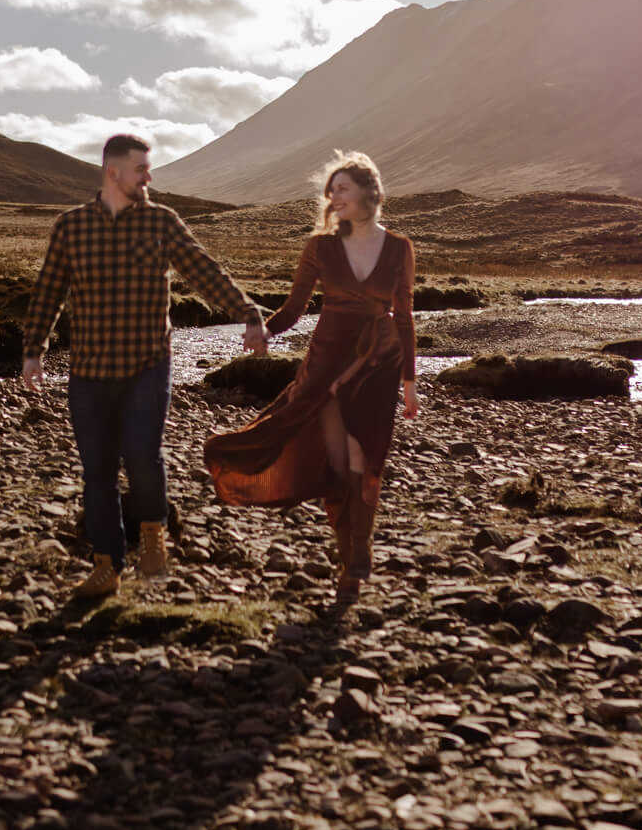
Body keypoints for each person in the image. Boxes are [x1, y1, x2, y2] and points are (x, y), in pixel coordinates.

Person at [23, 133, 268, 599]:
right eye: (141, 169)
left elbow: (204, 271)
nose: (149, 177)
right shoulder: (71, 227)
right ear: (113, 172)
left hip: (148, 365)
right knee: (96, 472)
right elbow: (49, 291)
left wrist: (247, 313)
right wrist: (34, 350)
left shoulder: (161, 221)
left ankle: (154, 534)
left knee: (142, 455)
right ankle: (106, 567)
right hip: (90, 372)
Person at [204, 151, 418, 598]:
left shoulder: (399, 247)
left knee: (367, 459)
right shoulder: (320, 247)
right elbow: (295, 308)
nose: (332, 197)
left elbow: (404, 316)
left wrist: (410, 382)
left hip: (379, 364)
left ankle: (358, 554)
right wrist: (264, 330)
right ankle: (352, 557)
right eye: (330, 190)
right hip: (327, 363)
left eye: (341, 188)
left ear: (368, 192)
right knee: (340, 462)